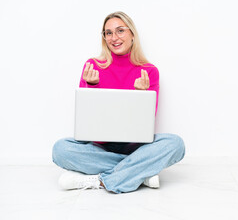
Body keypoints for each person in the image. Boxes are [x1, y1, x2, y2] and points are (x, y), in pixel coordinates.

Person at [52, 11, 185, 194]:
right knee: (60, 149)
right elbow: (86, 121)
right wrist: (90, 86)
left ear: (132, 34)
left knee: (175, 144)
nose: (114, 37)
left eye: (120, 31)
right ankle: (140, 172)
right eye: (108, 33)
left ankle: (101, 181)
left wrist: (141, 96)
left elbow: (145, 124)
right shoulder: (93, 66)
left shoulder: (149, 71)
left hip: (135, 147)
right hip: (100, 147)